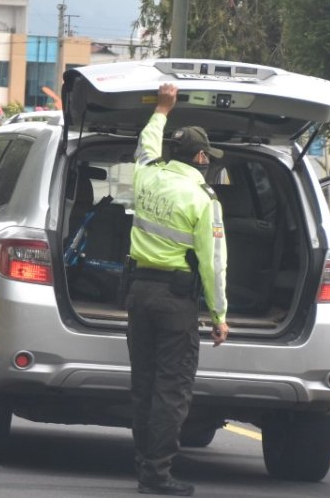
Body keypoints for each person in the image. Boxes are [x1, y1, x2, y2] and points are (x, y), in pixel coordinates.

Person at [126, 82, 228, 496]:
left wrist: (162, 110)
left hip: (139, 294)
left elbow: (146, 144)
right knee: (171, 389)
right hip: (175, 303)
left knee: (144, 385)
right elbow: (213, 264)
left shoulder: (146, 176)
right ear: (201, 157)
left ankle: (144, 466)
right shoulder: (203, 198)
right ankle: (158, 474)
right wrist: (220, 316)